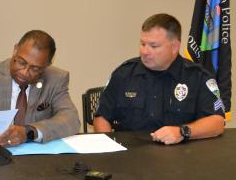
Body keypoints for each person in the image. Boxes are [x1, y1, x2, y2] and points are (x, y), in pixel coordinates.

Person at [93, 13, 225, 145]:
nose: (145, 51)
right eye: (143, 44)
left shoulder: (197, 77)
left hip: (182, 157)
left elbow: (217, 122)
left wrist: (182, 132)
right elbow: (102, 117)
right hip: (131, 156)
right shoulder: (123, 74)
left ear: (175, 47)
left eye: (153, 46)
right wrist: (108, 147)